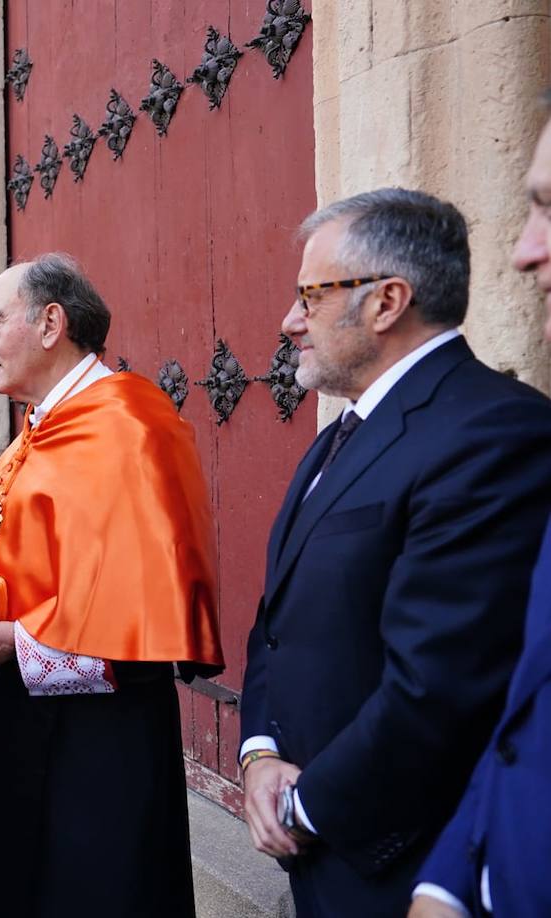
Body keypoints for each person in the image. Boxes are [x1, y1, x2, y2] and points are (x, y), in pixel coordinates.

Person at [234, 188, 551, 918]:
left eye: (308, 296)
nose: (289, 322)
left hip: (401, 858)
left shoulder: (492, 435)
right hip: (315, 849)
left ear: (387, 302)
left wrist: (305, 807)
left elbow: (440, 683)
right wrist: (258, 756)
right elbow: (277, 622)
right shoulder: (339, 436)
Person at [0, 254, 223, 917]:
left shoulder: (128, 423)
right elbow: (30, 538)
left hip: (93, 744)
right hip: (18, 725)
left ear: (51, 323)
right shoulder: (45, 423)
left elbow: (137, 598)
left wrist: (16, 641)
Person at [408, 102, 551, 918]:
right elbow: (522, 721)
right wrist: (448, 884)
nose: (525, 249)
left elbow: (444, 670)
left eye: (548, 209)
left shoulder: (507, 432)